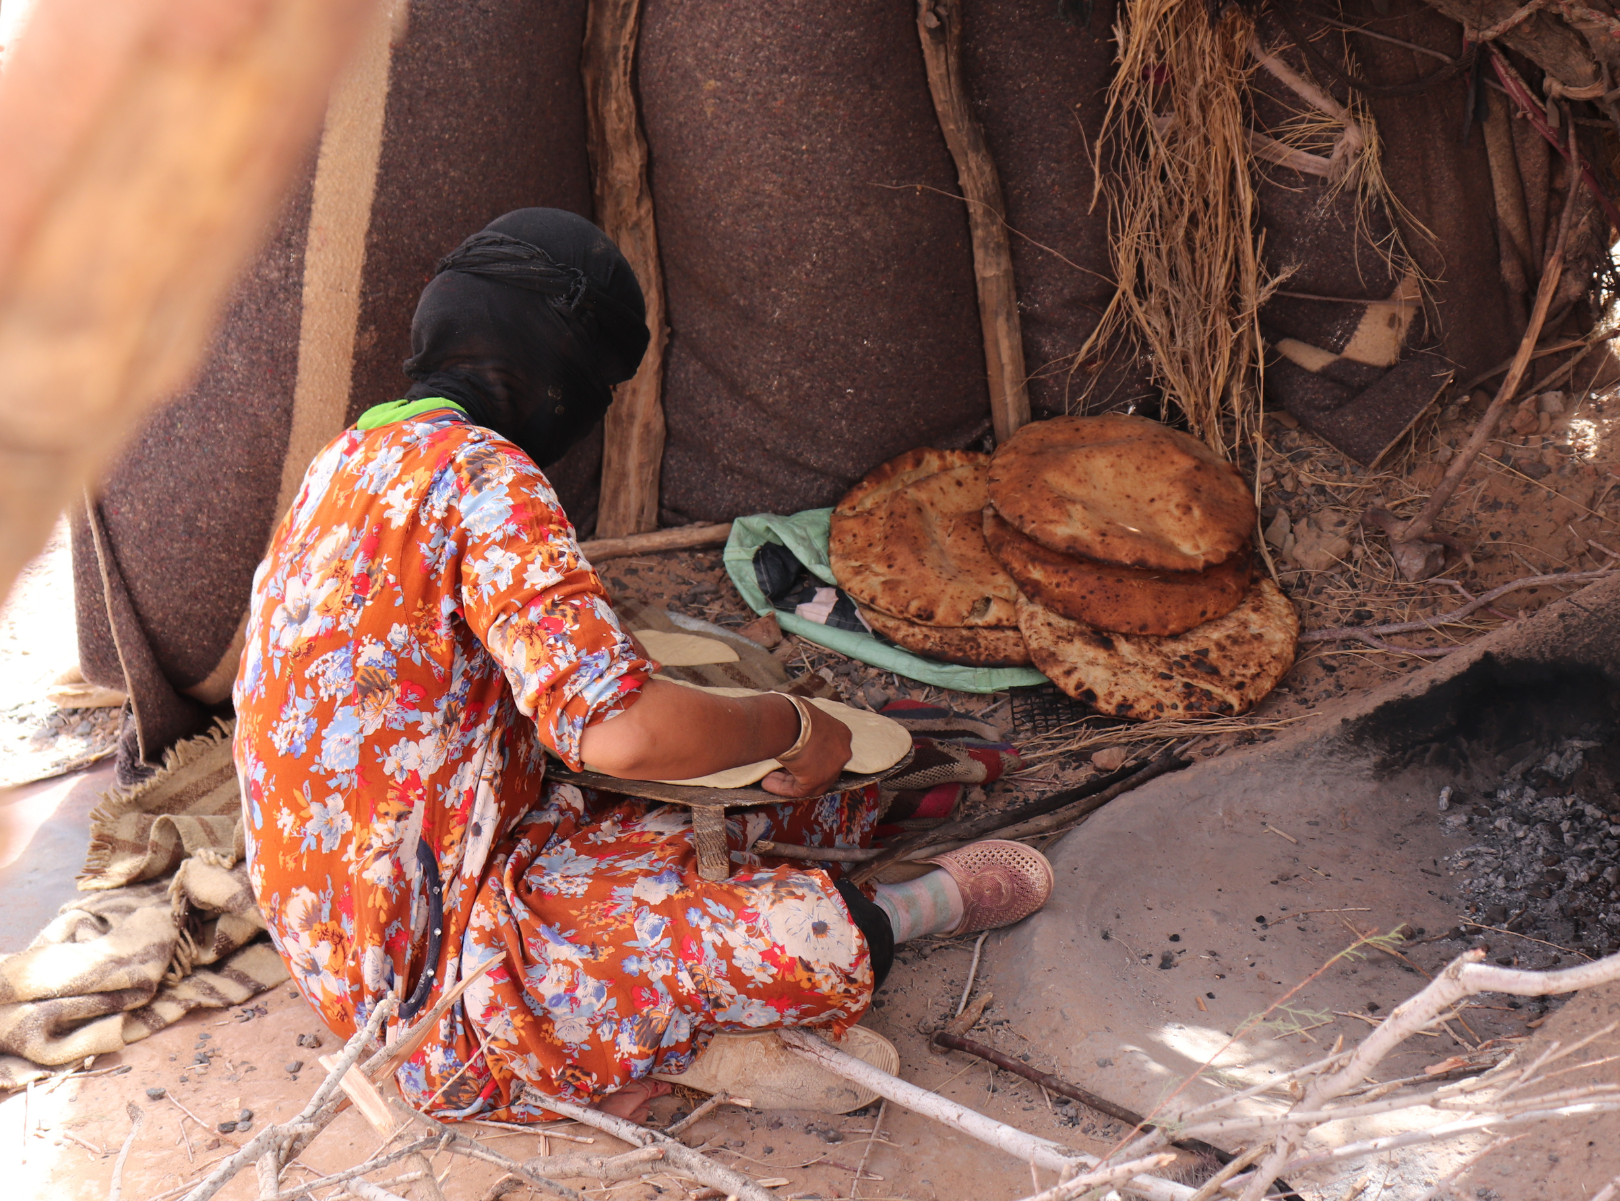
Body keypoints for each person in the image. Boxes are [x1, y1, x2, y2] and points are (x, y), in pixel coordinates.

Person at [232, 209, 1051, 1122]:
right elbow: (620, 733)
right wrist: (793, 722)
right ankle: (899, 913)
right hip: (438, 1000)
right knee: (803, 929)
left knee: (691, 806)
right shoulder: (485, 477)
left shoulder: (343, 464)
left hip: (348, 945)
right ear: (556, 376)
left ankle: (713, 1007)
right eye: (602, 389)